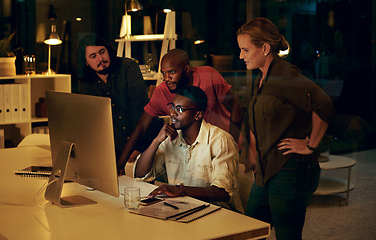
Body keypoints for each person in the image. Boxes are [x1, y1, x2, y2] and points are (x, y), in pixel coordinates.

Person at [236, 18, 334, 239]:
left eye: (245, 50)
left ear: (265, 48)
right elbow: (255, 118)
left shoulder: (284, 75)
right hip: (266, 169)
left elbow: (324, 105)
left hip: (290, 168)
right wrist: (252, 154)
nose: (241, 56)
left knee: (287, 235)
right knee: (251, 230)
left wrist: (310, 145)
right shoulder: (262, 78)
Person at [117, 48, 244, 175]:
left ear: (187, 69)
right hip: (191, 150)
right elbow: (141, 127)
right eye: (163, 73)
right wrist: (120, 164)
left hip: (222, 144)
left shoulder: (208, 76)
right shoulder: (162, 91)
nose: (166, 78)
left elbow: (236, 110)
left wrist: (231, 146)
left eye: (172, 72)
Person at [134, 86, 244, 213]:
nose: (172, 113)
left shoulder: (220, 141)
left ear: (197, 115)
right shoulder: (171, 139)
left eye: (179, 109)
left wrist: (180, 190)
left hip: (220, 214)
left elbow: (222, 192)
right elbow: (140, 174)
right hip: (183, 210)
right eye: (172, 106)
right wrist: (156, 141)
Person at [77, 35, 162, 167]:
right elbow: (92, 120)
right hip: (114, 149)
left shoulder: (128, 67)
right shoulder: (86, 82)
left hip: (145, 142)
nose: (101, 59)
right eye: (93, 56)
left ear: (108, 51)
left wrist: (137, 147)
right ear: (86, 62)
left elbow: (139, 110)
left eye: (102, 52)